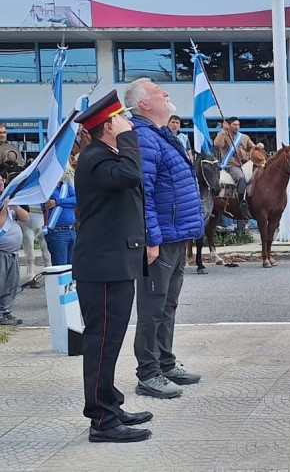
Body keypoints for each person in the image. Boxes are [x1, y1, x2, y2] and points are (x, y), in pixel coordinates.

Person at [72, 89, 152, 442]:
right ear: (108, 126)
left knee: (110, 342)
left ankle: (111, 405)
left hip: (114, 263)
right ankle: (101, 420)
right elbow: (132, 175)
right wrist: (127, 138)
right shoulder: (96, 158)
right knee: (101, 343)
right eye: (120, 119)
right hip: (102, 267)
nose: (127, 122)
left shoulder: (107, 156)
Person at [125, 78, 205, 399]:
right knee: (152, 307)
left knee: (167, 304)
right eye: (158, 91)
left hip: (176, 235)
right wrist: (151, 238)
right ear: (144, 104)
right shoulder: (144, 137)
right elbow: (142, 193)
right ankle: (148, 373)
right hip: (160, 239)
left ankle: (165, 363)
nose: (165, 92)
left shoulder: (161, 134)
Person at [214, 117, 255, 217]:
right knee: (240, 178)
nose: (237, 127)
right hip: (231, 165)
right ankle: (242, 202)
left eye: (238, 125)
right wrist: (223, 131)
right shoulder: (223, 135)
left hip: (245, 164)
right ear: (229, 125)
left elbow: (253, 148)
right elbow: (217, 145)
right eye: (234, 124)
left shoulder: (244, 137)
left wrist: (257, 148)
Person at [0, 178, 28, 326]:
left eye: (2, 180)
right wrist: (4, 208)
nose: (1, 182)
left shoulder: (9, 198)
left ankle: (6, 312)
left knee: (11, 284)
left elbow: (26, 217)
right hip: (1, 252)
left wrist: (16, 207)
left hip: (12, 252)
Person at [42, 175, 77, 266]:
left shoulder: (67, 185)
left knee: (73, 266)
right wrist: (67, 202)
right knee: (60, 266)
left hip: (72, 230)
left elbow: (76, 200)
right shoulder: (46, 188)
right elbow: (47, 204)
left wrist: (58, 202)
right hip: (57, 231)